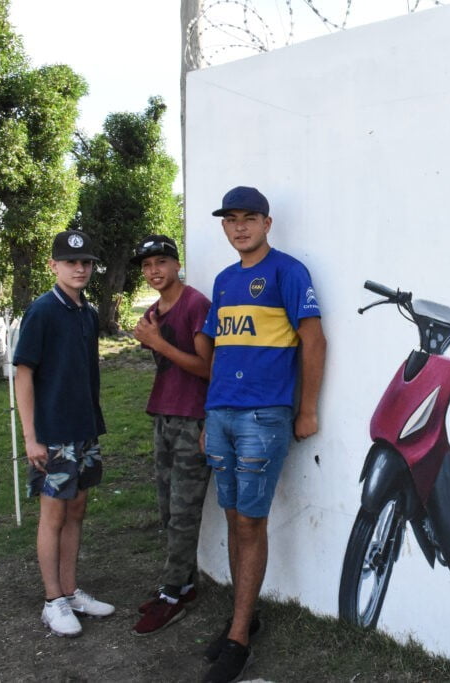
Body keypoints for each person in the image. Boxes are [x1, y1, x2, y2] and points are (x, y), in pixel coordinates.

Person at [200, 186, 327, 683]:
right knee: (233, 518)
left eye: (249, 218)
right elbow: (217, 348)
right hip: (221, 415)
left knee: (250, 523)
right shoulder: (225, 280)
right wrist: (208, 413)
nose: (239, 227)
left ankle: (238, 639)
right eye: (230, 219)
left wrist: (307, 410)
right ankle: (243, 616)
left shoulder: (288, 272)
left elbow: (313, 341)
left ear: (267, 223)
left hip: (263, 416)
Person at [13, 230, 115, 638]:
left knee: (76, 510)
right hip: (52, 434)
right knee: (53, 515)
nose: (79, 268)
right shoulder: (42, 311)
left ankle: (71, 591)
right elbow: (24, 375)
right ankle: (52, 600)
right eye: (71, 262)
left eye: (86, 262)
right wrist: (30, 437)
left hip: (84, 430)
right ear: (54, 265)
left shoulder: (87, 313)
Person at [128, 235, 214, 636]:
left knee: (183, 511)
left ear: (177, 264)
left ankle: (172, 594)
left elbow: (207, 368)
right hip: (163, 417)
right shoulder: (153, 311)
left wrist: (157, 342)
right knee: (167, 507)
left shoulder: (195, 304)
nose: (154, 271)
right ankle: (184, 584)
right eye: (146, 266)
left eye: (161, 262)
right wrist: (153, 340)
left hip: (190, 421)